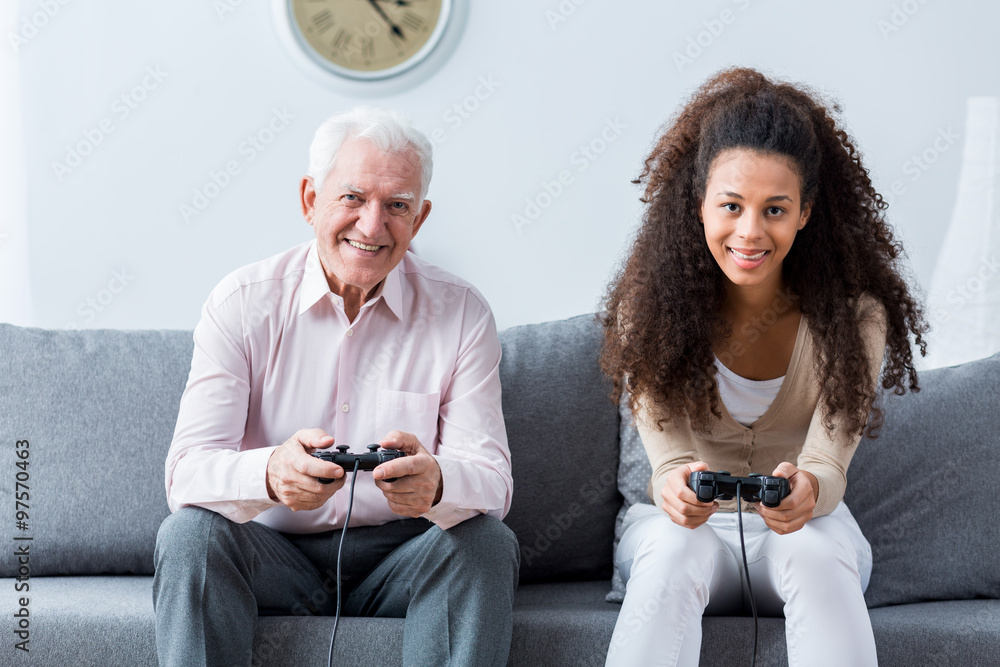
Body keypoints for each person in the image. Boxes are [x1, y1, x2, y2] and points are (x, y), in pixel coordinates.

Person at [153, 106, 518, 667]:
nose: (372, 227)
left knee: (488, 545)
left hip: (406, 555)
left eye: (396, 206)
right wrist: (270, 474)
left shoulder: (462, 313)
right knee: (189, 537)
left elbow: (493, 482)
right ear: (309, 200)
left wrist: (439, 481)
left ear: (418, 220)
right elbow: (186, 474)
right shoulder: (242, 303)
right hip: (271, 552)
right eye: (352, 198)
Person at [600, 68, 927, 666]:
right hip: (686, 538)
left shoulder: (857, 318)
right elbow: (668, 461)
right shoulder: (646, 311)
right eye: (731, 205)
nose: (750, 232)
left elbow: (826, 464)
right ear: (699, 206)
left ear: (805, 212)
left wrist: (808, 491)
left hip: (803, 537)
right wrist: (674, 489)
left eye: (775, 209)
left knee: (814, 551)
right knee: (674, 551)